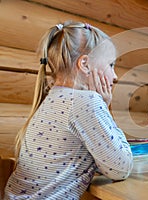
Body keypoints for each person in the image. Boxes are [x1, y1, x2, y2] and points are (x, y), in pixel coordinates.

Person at [4, 20, 133, 199]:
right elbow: (121, 167)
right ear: (85, 65)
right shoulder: (86, 102)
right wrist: (105, 106)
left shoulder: (53, 98)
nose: (115, 75)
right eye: (111, 65)